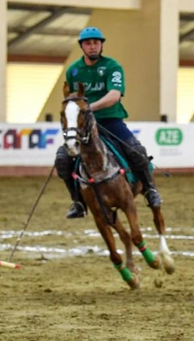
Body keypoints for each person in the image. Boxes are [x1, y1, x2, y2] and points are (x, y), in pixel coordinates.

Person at [55, 27, 162, 218]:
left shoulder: (113, 67)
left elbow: (114, 95)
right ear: (82, 46)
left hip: (110, 120)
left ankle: (150, 189)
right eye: (88, 43)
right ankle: (78, 202)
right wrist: (77, 115)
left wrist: (88, 109)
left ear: (101, 45)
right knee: (63, 159)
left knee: (136, 150)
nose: (92, 46)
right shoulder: (73, 71)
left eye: (96, 43)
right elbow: (71, 98)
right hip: (83, 126)